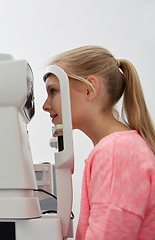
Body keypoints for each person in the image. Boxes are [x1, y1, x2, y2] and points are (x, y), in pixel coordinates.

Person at [42, 46, 155, 239]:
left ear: (89, 89)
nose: (45, 105)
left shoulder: (116, 152)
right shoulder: (120, 148)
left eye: (53, 91)